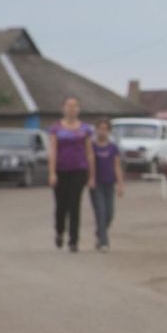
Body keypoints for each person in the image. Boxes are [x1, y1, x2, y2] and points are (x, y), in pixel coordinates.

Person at [47, 97, 93, 252]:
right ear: (63, 108)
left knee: (75, 205)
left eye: (75, 106)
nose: (72, 109)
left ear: (79, 109)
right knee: (61, 205)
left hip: (79, 170)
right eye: (69, 106)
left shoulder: (85, 129)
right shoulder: (56, 128)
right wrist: (52, 172)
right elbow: (53, 150)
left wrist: (92, 175)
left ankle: (74, 240)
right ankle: (59, 231)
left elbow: (89, 152)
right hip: (61, 170)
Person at [87, 119, 124, 251]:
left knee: (110, 213)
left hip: (109, 183)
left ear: (109, 131)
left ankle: (99, 233)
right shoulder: (92, 146)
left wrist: (120, 184)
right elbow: (90, 163)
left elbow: (117, 166)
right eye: (100, 129)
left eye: (105, 129)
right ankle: (104, 242)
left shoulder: (113, 148)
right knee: (101, 212)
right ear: (96, 130)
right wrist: (90, 178)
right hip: (97, 184)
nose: (102, 132)